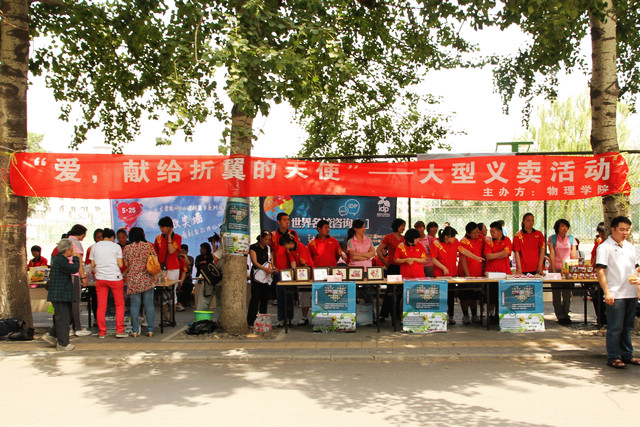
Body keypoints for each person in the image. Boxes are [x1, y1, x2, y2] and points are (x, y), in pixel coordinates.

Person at [595, 216, 640, 369]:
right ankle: (613, 356)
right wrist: (607, 292)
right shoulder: (605, 247)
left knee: (627, 327)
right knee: (615, 327)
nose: (625, 232)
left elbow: (635, 268)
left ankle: (627, 354)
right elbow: (600, 270)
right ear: (613, 229)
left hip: (631, 293)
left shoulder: (630, 247)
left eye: (627, 230)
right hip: (615, 293)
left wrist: (638, 289)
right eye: (622, 229)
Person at [430, 226, 484, 325]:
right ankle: (439, 317)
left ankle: (451, 317)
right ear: (446, 237)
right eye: (453, 237)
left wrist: (475, 257)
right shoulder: (436, 243)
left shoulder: (455, 242)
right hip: (439, 275)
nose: (454, 239)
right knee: (440, 296)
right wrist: (443, 268)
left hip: (452, 274)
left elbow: (463, 251)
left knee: (450, 296)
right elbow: (433, 258)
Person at [41, 239, 81, 351]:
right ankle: (63, 344)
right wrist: (76, 258)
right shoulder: (61, 260)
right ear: (67, 249)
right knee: (63, 318)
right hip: (60, 294)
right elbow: (73, 268)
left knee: (67, 317)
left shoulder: (59, 259)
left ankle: (52, 335)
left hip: (62, 293)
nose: (73, 250)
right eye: (71, 248)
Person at [304, 220, 342, 326]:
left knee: (332, 296)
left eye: (329, 227)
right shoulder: (312, 243)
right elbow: (309, 258)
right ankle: (320, 319)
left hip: (332, 274)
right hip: (318, 274)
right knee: (319, 296)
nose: (328, 229)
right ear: (319, 229)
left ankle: (333, 318)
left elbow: (338, 256)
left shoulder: (334, 241)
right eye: (326, 227)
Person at [90, 228, 127, 339]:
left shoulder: (94, 247)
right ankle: (119, 330)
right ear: (112, 237)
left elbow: (92, 265)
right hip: (115, 278)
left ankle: (102, 332)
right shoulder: (116, 247)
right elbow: (120, 265)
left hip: (100, 278)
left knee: (101, 306)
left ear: (102, 237)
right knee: (119, 305)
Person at [123, 227, 156, 338]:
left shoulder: (127, 248)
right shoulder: (148, 246)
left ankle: (135, 331)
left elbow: (126, 264)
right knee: (149, 305)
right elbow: (154, 260)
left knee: (134, 306)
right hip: (147, 279)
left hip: (133, 280)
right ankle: (150, 330)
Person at [548, 218, 578, 325]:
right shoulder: (552, 238)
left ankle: (566, 314)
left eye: (566, 226)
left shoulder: (571, 239)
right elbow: (552, 253)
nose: (564, 228)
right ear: (557, 228)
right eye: (562, 226)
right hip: (555, 268)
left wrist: (574, 268)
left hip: (567, 269)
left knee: (567, 293)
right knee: (556, 293)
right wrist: (554, 270)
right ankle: (559, 315)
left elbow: (573, 253)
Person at [377, 218, 406, 321]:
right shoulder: (388, 237)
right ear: (396, 226)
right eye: (401, 225)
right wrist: (384, 262)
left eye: (404, 226)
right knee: (390, 291)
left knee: (400, 291)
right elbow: (379, 249)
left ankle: (397, 314)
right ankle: (383, 314)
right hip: (392, 267)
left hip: (402, 267)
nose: (403, 228)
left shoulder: (404, 238)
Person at [154, 216, 182, 325]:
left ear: (170, 227)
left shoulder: (177, 237)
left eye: (164, 227)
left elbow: (171, 251)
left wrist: (169, 237)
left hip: (173, 268)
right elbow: (156, 254)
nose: (161, 229)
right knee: (162, 293)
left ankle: (172, 318)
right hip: (161, 269)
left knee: (172, 292)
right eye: (160, 227)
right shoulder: (158, 238)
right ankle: (165, 318)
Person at [484, 221, 513, 324]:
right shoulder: (488, 242)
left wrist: (494, 254)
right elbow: (488, 256)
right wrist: (501, 253)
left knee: (503, 296)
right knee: (491, 295)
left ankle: (500, 314)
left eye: (493, 232)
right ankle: (491, 315)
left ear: (500, 231)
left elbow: (507, 253)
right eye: (490, 232)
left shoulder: (507, 240)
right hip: (491, 273)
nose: (491, 234)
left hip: (504, 273)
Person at [247, 231, 276, 327]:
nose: (267, 241)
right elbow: (254, 262)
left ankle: (262, 320)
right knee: (255, 298)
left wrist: (272, 268)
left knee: (264, 299)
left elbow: (271, 261)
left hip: (266, 276)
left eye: (269, 240)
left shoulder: (269, 248)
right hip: (257, 275)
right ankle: (250, 321)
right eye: (265, 239)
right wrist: (264, 269)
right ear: (261, 238)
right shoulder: (253, 247)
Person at [67, 224, 91, 336]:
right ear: (81, 234)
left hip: (65, 274)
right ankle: (78, 327)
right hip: (74, 275)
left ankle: (69, 327)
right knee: (75, 301)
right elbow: (79, 262)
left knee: (67, 303)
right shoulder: (76, 243)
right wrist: (83, 277)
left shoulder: (65, 241)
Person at [457, 222, 484, 325]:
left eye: (477, 231)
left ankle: (474, 315)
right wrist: (467, 274)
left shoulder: (481, 238)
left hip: (478, 274)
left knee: (474, 296)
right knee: (464, 296)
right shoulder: (463, 241)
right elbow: (463, 258)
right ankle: (465, 315)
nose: (477, 234)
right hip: (466, 274)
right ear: (468, 233)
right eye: (474, 233)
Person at [273, 232, 297, 327]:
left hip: (288, 273)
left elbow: (292, 261)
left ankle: (289, 318)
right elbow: (273, 255)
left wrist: (294, 272)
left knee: (289, 297)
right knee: (281, 297)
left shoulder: (288, 248)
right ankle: (281, 319)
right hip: (279, 273)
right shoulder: (278, 246)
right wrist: (273, 266)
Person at [84, 228, 103, 325]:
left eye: (101, 237)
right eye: (98, 237)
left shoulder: (111, 248)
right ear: (95, 238)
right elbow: (88, 264)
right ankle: (96, 318)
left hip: (106, 277)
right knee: (95, 298)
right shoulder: (90, 249)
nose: (100, 239)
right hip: (94, 279)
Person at [590, 222, 607, 325]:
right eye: (600, 233)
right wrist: (592, 269)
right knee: (596, 294)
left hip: (606, 275)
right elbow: (595, 256)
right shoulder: (599, 243)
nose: (600, 235)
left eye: (602, 233)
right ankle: (601, 318)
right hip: (598, 274)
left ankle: (605, 318)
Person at [177, 244, 194, 310]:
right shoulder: (176, 258)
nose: (181, 252)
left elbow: (188, 266)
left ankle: (183, 302)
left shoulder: (189, 258)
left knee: (189, 285)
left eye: (183, 251)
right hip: (176, 277)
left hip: (186, 278)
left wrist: (184, 256)